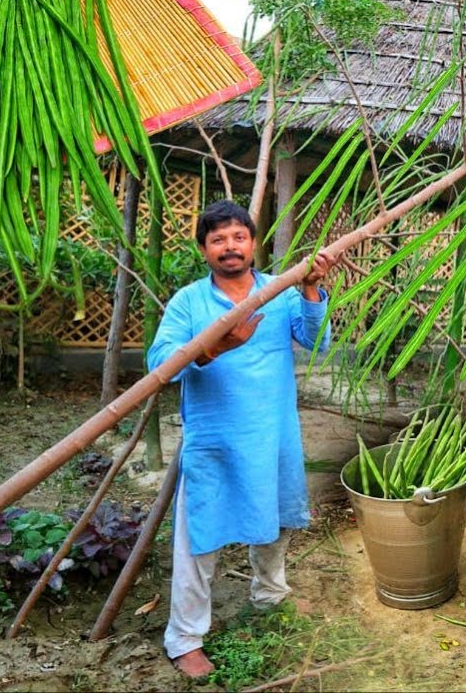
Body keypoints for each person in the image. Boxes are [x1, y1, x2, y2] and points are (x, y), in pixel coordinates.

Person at [147, 200, 338, 678]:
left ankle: (269, 599)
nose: (229, 248)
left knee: (273, 520)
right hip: (215, 439)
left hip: (273, 435)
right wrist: (215, 346)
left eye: (238, 237)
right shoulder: (190, 302)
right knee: (200, 538)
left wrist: (311, 286)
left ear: (253, 243)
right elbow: (160, 362)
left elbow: (317, 342)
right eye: (218, 240)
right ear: (203, 249)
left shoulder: (278, 291)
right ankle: (185, 638)